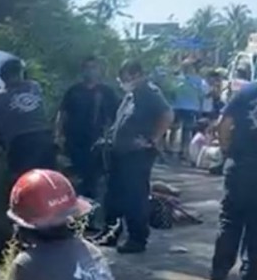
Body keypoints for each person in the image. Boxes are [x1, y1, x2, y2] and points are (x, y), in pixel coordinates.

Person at [97, 60, 174, 254]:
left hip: (137, 155)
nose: (123, 82)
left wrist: (152, 139)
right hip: (120, 153)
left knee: (135, 197)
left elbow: (167, 115)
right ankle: (110, 233)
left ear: (138, 75)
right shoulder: (131, 95)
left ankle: (137, 239)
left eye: (126, 78)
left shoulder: (149, 93)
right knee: (114, 196)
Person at [210, 82, 257, 280]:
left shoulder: (246, 92)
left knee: (230, 220)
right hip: (242, 163)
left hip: (240, 165)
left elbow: (223, 123)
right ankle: (251, 279)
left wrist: (227, 150)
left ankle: (219, 272)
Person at [56, 56, 119, 200]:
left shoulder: (106, 92)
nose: (90, 71)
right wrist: (58, 135)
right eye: (87, 67)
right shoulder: (74, 91)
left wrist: (111, 137)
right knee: (74, 178)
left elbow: (117, 116)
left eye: (93, 67)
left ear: (99, 70)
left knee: (93, 180)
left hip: (96, 143)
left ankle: (91, 212)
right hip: (74, 142)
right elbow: (63, 113)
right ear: (82, 70)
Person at [170, 60, 208, 161]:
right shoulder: (197, 80)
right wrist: (200, 108)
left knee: (175, 128)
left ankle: (173, 148)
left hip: (179, 106)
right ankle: (183, 150)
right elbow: (201, 95)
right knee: (184, 130)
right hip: (189, 107)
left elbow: (172, 93)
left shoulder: (178, 79)